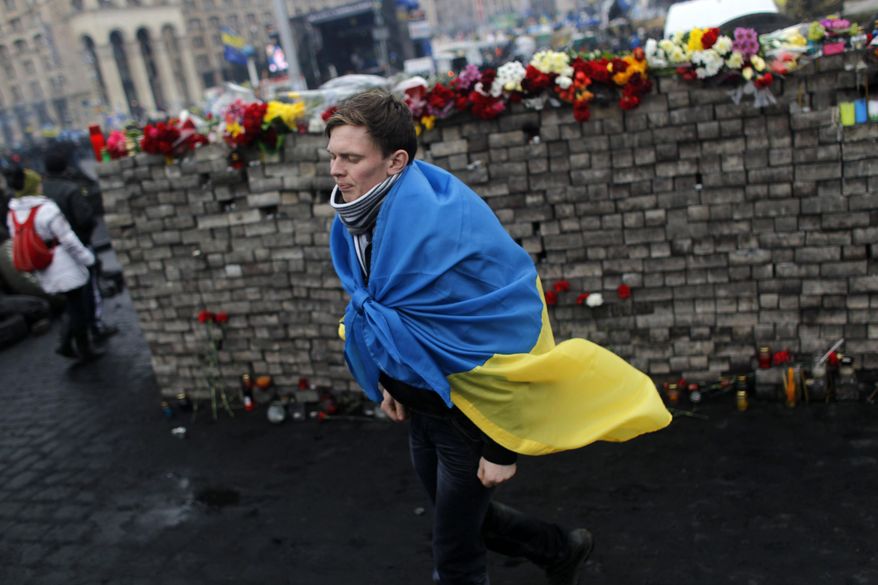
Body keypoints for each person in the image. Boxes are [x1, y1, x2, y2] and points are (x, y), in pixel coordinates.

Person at [326, 89, 671, 585]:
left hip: (466, 419)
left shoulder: (439, 224)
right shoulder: (357, 217)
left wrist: (500, 448)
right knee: (470, 520)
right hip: (420, 407)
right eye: (334, 156)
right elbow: (382, 314)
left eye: (351, 158)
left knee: (456, 557)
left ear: (395, 161)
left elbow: (500, 325)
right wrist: (386, 381)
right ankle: (560, 549)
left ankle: (553, 549)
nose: (337, 170)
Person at [5, 167, 102, 361]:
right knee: (78, 307)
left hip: (43, 264)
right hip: (62, 262)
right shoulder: (46, 209)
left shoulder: (13, 213)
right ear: (33, 186)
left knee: (72, 304)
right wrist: (87, 259)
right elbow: (68, 239)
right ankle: (78, 347)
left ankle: (69, 344)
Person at [43, 145, 118, 342]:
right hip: (78, 246)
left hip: (54, 252)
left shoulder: (42, 191)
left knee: (72, 296)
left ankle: (73, 338)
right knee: (89, 290)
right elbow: (85, 219)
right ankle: (94, 328)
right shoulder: (70, 189)